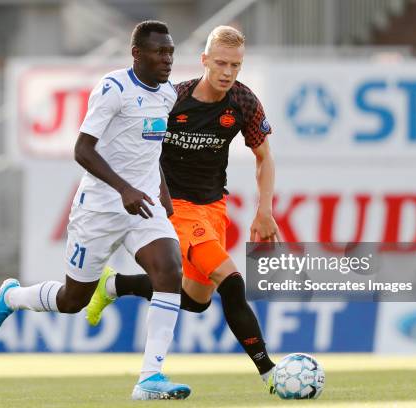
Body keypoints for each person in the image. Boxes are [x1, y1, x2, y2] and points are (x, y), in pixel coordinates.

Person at [0, 20, 191, 401]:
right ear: (137, 54)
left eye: (171, 51)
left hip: (142, 206)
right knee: (72, 301)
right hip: (100, 209)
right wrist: (123, 188)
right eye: (160, 52)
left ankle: (150, 378)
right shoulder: (113, 89)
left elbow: (147, 149)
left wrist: (162, 190)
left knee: (170, 269)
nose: (168, 59)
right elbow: (82, 149)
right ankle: (12, 296)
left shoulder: (168, 95)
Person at [87, 25, 281, 394]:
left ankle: (112, 285)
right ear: (204, 60)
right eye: (221, 63)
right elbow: (141, 148)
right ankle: (271, 373)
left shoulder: (244, 102)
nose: (227, 72)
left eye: (236, 66)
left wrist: (265, 210)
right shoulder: (172, 98)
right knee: (234, 283)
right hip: (174, 207)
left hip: (213, 207)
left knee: (195, 300)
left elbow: (264, 156)